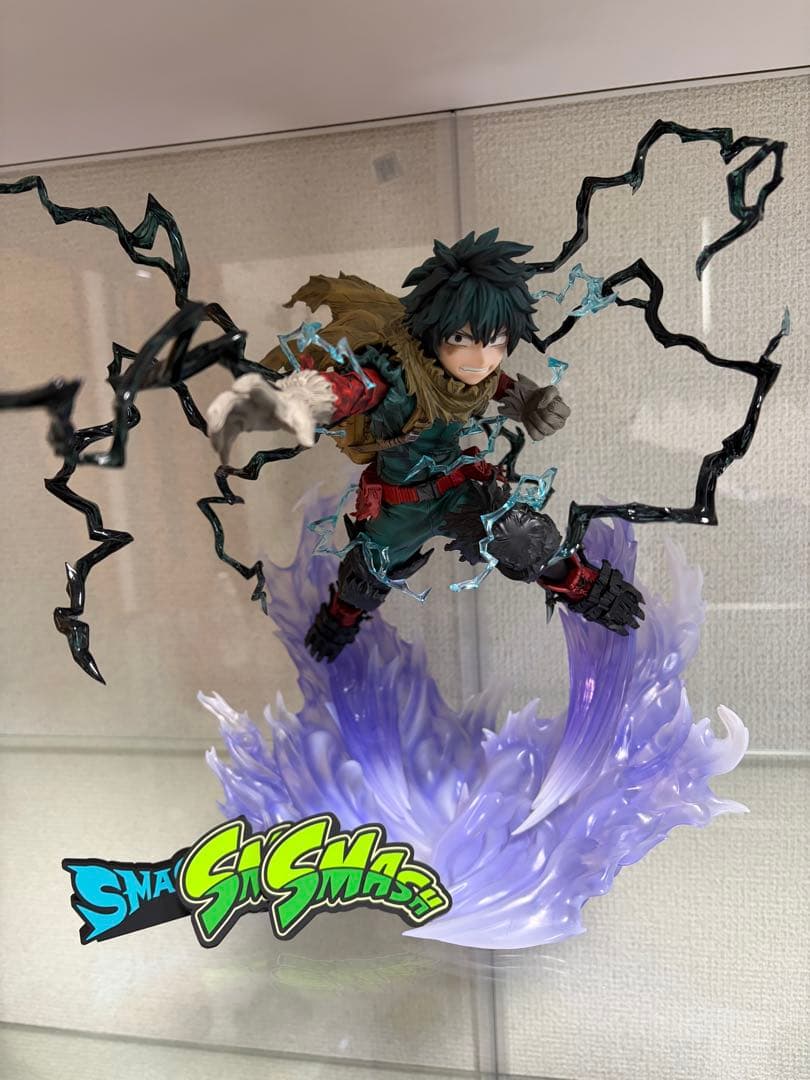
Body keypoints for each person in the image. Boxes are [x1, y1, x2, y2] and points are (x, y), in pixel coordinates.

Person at [207, 230, 643, 661]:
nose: (481, 359)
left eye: (496, 341)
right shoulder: (394, 372)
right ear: (435, 328)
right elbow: (353, 390)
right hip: (401, 506)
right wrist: (306, 397)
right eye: (462, 339)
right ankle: (337, 623)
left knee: (521, 536)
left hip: (460, 492)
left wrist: (531, 402)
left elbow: (500, 385)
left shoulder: (477, 376)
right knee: (362, 578)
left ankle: (588, 588)